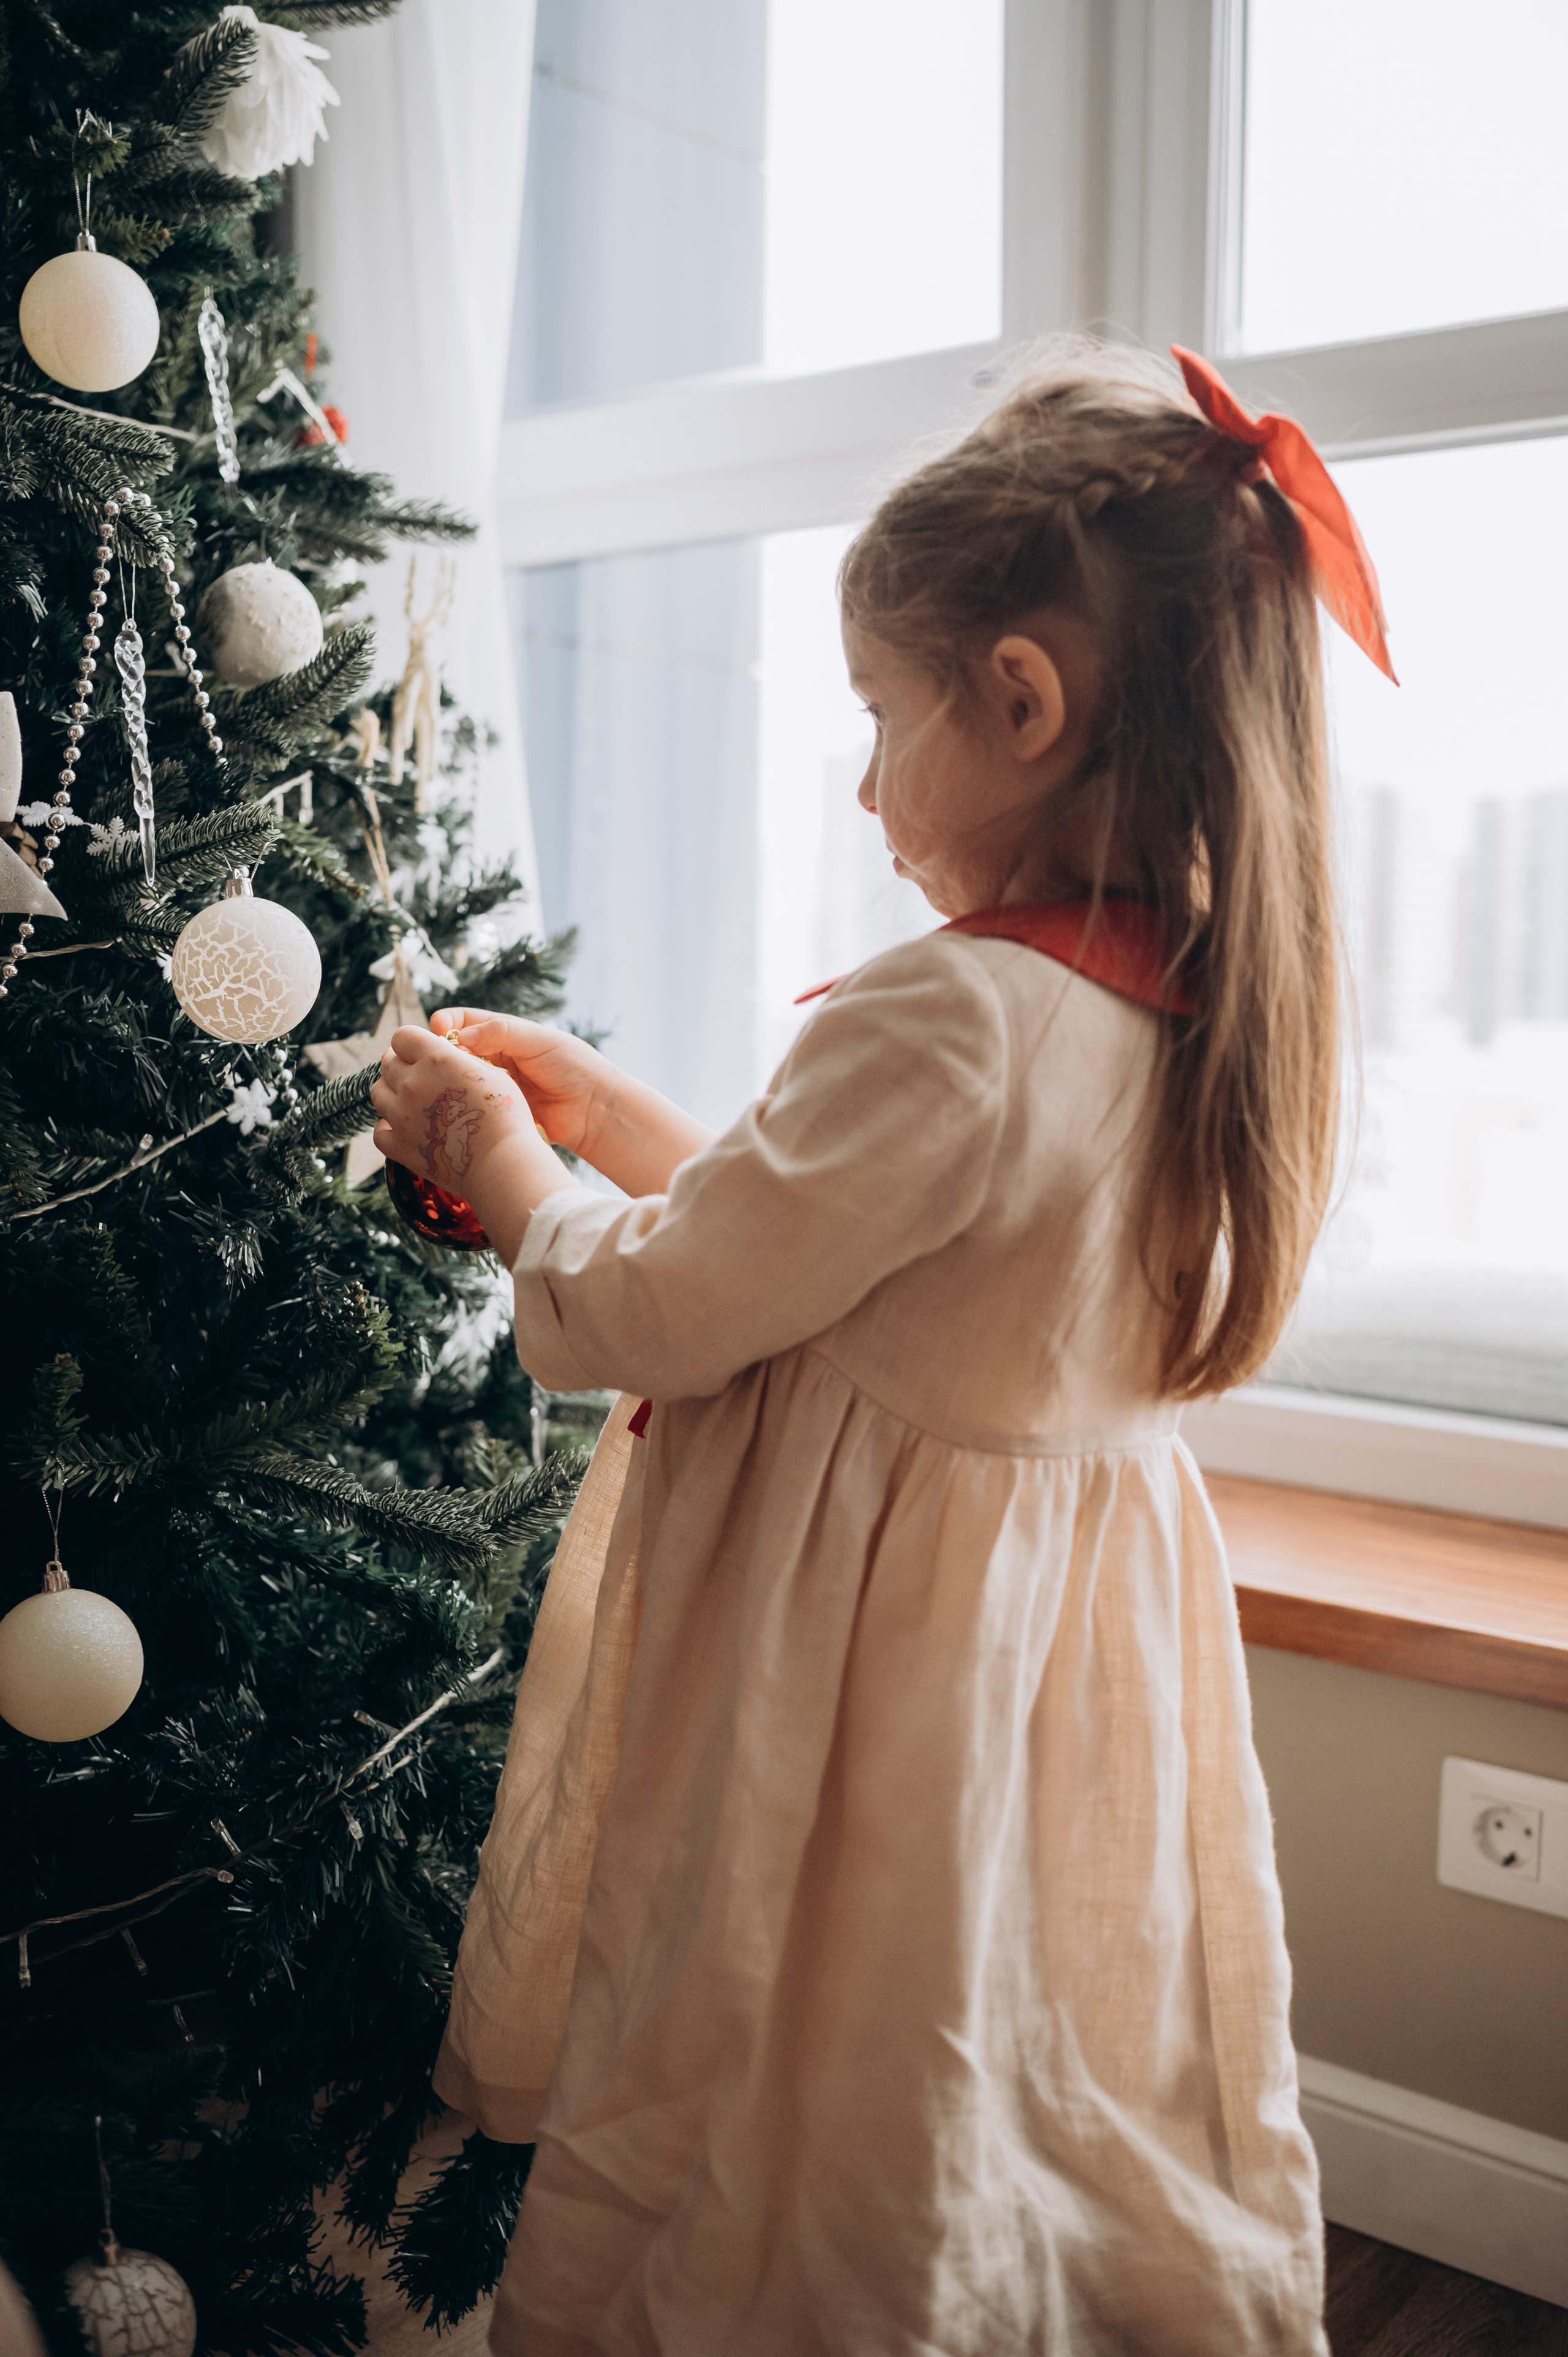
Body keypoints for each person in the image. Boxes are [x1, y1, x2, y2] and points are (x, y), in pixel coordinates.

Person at [371, 338, 1394, 2355]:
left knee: (785, 2073)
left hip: (853, 1693)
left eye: (875, 716)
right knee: (978, 2055)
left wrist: (495, 1152)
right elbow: (849, 1271)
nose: (861, 786)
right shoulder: (1180, 1010)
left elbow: (649, 1308)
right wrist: (607, 1112)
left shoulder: (954, 1017)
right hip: (1026, 1676)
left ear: (1019, 700)